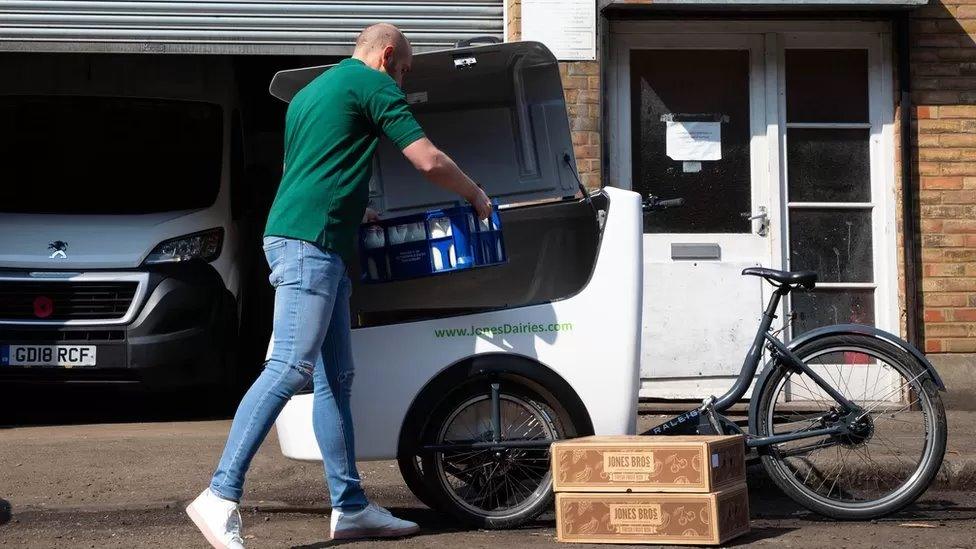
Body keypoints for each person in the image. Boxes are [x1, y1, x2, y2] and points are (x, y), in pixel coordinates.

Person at [186, 23, 492, 549]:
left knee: (335, 379)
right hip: (311, 247)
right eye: (404, 71)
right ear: (387, 55)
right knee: (288, 367)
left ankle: (350, 507)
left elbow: (301, 170)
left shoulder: (309, 94)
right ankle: (219, 495)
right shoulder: (371, 85)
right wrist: (476, 194)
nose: (402, 81)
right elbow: (427, 159)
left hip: (311, 239)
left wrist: (356, 207)